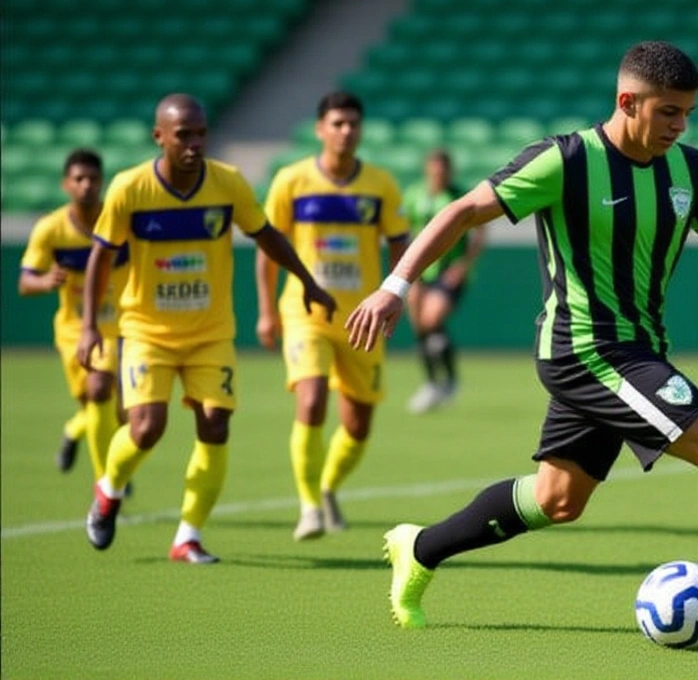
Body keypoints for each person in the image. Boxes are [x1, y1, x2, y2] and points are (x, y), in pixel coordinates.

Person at [345, 41, 698, 634]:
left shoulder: (690, 168)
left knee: (558, 499)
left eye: (688, 112)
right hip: (584, 349)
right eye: (669, 111)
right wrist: (396, 286)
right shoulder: (564, 161)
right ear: (627, 101)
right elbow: (461, 212)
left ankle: (421, 547)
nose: (680, 125)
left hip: (636, 350)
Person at [79, 94, 336, 563]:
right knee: (146, 427)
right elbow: (100, 254)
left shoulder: (227, 183)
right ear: (160, 137)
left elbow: (267, 235)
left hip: (211, 333)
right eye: (184, 135)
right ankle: (108, 489)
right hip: (146, 331)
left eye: (201, 133)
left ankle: (188, 536)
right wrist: (89, 327)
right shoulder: (129, 188)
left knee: (215, 426)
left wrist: (307, 282)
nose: (195, 143)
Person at [256, 92, 409, 541]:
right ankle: (308, 507)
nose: (346, 131)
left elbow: (400, 244)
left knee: (358, 423)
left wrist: (396, 293)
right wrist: (267, 311)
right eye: (338, 123)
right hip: (306, 312)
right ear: (320, 129)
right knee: (311, 400)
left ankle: (326, 487)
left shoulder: (380, 185)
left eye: (353, 124)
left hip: (361, 317)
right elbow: (269, 250)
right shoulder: (292, 180)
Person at [19, 149, 126, 478]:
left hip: (119, 327)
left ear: (102, 182)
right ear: (66, 184)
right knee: (96, 402)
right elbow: (24, 282)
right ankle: (92, 455)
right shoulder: (51, 229)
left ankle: (105, 486)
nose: (87, 185)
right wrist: (44, 281)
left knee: (118, 411)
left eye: (93, 179)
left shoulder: (120, 222)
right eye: (79, 179)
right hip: (74, 330)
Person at [403, 148, 484, 414]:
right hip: (421, 273)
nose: (439, 175)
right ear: (428, 170)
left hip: (449, 272)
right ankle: (431, 383)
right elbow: (407, 232)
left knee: (432, 319)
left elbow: (479, 233)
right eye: (435, 170)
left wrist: (463, 265)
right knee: (420, 327)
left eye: (443, 170)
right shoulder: (415, 195)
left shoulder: (459, 195)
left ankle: (449, 381)